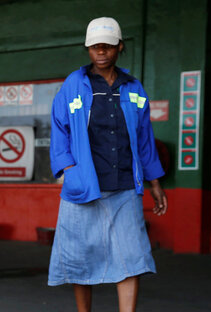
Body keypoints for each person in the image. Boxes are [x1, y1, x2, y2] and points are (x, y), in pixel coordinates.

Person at [48, 17, 168, 312]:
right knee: (80, 257)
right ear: (88, 50)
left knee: (131, 258)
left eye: (107, 47)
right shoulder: (74, 85)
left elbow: (144, 138)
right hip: (84, 185)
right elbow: (59, 128)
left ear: (119, 47)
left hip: (125, 186)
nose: (101, 53)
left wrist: (155, 182)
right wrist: (67, 170)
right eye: (94, 47)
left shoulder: (134, 88)